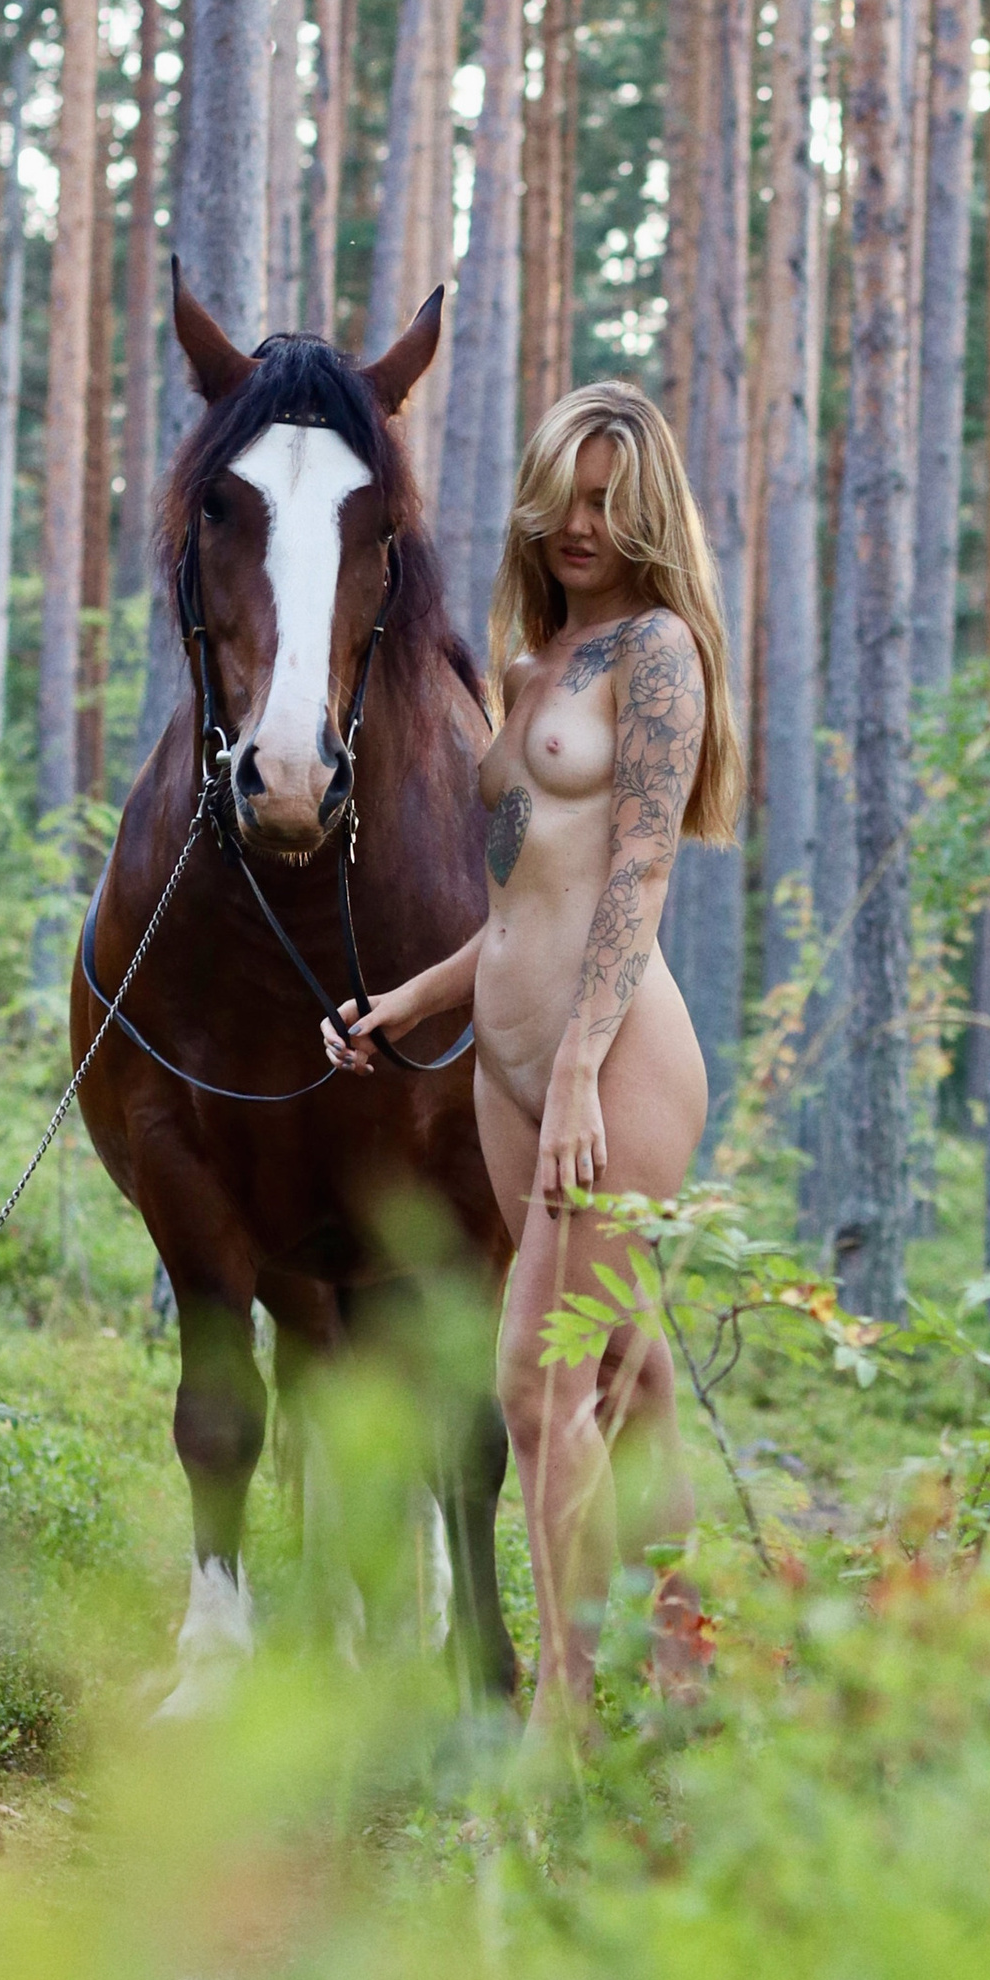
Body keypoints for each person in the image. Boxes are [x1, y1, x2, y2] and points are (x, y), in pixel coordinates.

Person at [324, 385, 743, 1743]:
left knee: (533, 1380)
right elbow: (517, 912)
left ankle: (561, 1726)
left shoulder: (660, 656)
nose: (580, 521)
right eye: (565, 489)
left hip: (610, 1064)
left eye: (610, 498)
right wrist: (405, 1003)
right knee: (628, 1368)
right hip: (510, 1066)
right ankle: (689, 1676)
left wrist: (573, 1072)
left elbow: (634, 878)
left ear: (646, 509)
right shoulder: (538, 662)